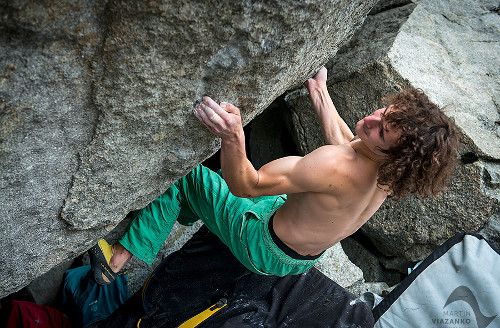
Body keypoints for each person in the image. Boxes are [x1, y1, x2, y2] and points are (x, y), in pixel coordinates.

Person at [89, 67, 459, 285]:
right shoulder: (391, 171)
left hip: (261, 244)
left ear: (392, 152)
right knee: (205, 195)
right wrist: (319, 92)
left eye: (382, 131)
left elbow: (246, 185)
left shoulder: (332, 165)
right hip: (300, 256)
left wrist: (234, 137)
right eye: (385, 111)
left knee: (188, 178)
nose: (372, 120)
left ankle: (119, 258)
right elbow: (352, 143)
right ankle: (184, 211)